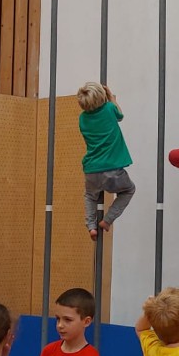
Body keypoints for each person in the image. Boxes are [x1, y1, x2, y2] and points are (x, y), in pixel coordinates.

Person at [77, 81, 135, 240]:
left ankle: (91, 226)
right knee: (129, 190)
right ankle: (107, 220)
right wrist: (111, 98)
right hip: (112, 168)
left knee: (90, 196)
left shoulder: (82, 118)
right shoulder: (109, 108)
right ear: (102, 96)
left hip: (91, 169)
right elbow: (120, 116)